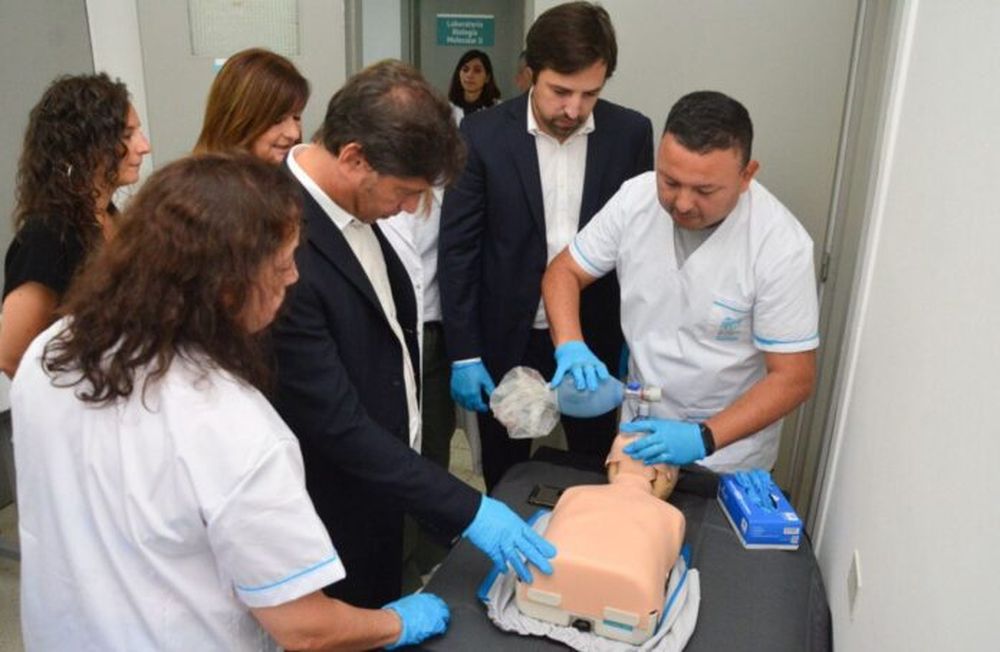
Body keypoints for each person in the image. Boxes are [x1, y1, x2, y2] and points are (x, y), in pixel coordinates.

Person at [11, 153, 450, 650]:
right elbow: (306, 628)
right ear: (225, 290)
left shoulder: (50, 353)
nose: (294, 278)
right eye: (282, 264)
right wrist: (397, 623)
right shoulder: (233, 427)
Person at [271, 59, 555, 608]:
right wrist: (469, 509)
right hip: (326, 515)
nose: (409, 209)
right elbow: (336, 422)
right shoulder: (278, 239)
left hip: (381, 494)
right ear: (353, 158)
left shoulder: (354, 209)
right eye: (405, 191)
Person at [438, 1, 655, 490]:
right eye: (560, 91)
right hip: (506, 336)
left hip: (593, 338)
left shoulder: (630, 134)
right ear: (530, 73)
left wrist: (632, 340)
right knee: (507, 474)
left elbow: (639, 246)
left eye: (589, 94)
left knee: (595, 471)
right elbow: (459, 249)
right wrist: (465, 352)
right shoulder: (482, 134)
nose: (573, 110)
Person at [542, 91, 819, 472]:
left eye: (704, 190)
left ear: (746, 176)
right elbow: (564, 272)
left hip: (727, 450)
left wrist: (703, 437)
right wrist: (570, 344)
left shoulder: (780, 246)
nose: (683, 203)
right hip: (640, 430)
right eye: (670, 181)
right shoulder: (635, 200)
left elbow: (793, 377)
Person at [0, 73, 151, 378]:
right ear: (85, 145)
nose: (144, 146)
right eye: (127, 135)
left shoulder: (112, 219)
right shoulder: (47, 236)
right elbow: (11, 356)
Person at [193, 47, 309, 164]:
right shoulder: (202, 176)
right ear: (236, 119)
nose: (294, 134)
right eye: (277, 120)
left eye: (296, 117)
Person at [447, 49, 501, 119]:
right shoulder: (447, 108)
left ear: (487, 78)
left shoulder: (499, 109)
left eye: (477, 70)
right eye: (465, 70)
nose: (469, 75)